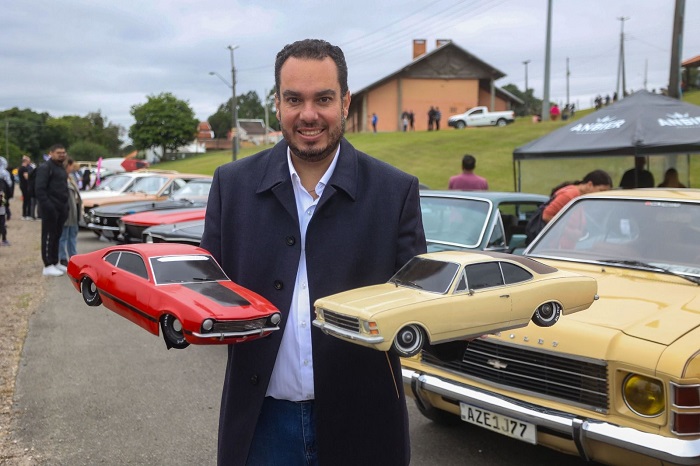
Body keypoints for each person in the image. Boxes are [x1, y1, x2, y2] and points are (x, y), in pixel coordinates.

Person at [200, 39, 426, 466]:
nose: (308, 114)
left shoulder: (395, 191)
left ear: (345, 102)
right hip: (262, 425)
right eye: (294, 100)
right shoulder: (232, 186)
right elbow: (206, 293)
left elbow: (419, 306)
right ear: (277, 104)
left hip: (364, 425)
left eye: (323, 99)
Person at [34, 144, 68, 277]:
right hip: (50, 209)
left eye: (63, 152)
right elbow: (39, 190)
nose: (62, 155)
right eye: (59, 153)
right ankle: (47, 265)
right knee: (48, 236)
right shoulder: (45, 168)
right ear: (51, 153)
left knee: (57, 236)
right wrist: (49, 206)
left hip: (61, 208)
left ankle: (55, 261)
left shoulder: (61, 168)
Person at [543, 170, 612, 223]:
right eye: (601, 190)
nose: (603, 194)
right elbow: (547, 215)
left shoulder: (582, 198)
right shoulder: (570, 195)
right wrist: (564, 230)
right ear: (590, 185)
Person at [57, 157, 82, 269]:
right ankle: (62, 258)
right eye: (71, 166)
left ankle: (73, 258)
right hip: (66, 212)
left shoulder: (71, 178)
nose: (73, 168)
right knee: (63, 236)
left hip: (74, 211)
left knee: (72, 236)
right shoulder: (61, 179)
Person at [18, 155, 35, 219]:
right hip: (25, 186)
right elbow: (26, 177)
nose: (29, 162)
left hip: (22, 185)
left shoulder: (20, 168)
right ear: (26, 161)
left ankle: (24, 214)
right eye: (28, 161)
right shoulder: (24, 169)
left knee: (25, 200)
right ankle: (27, 214)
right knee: (27, 200)